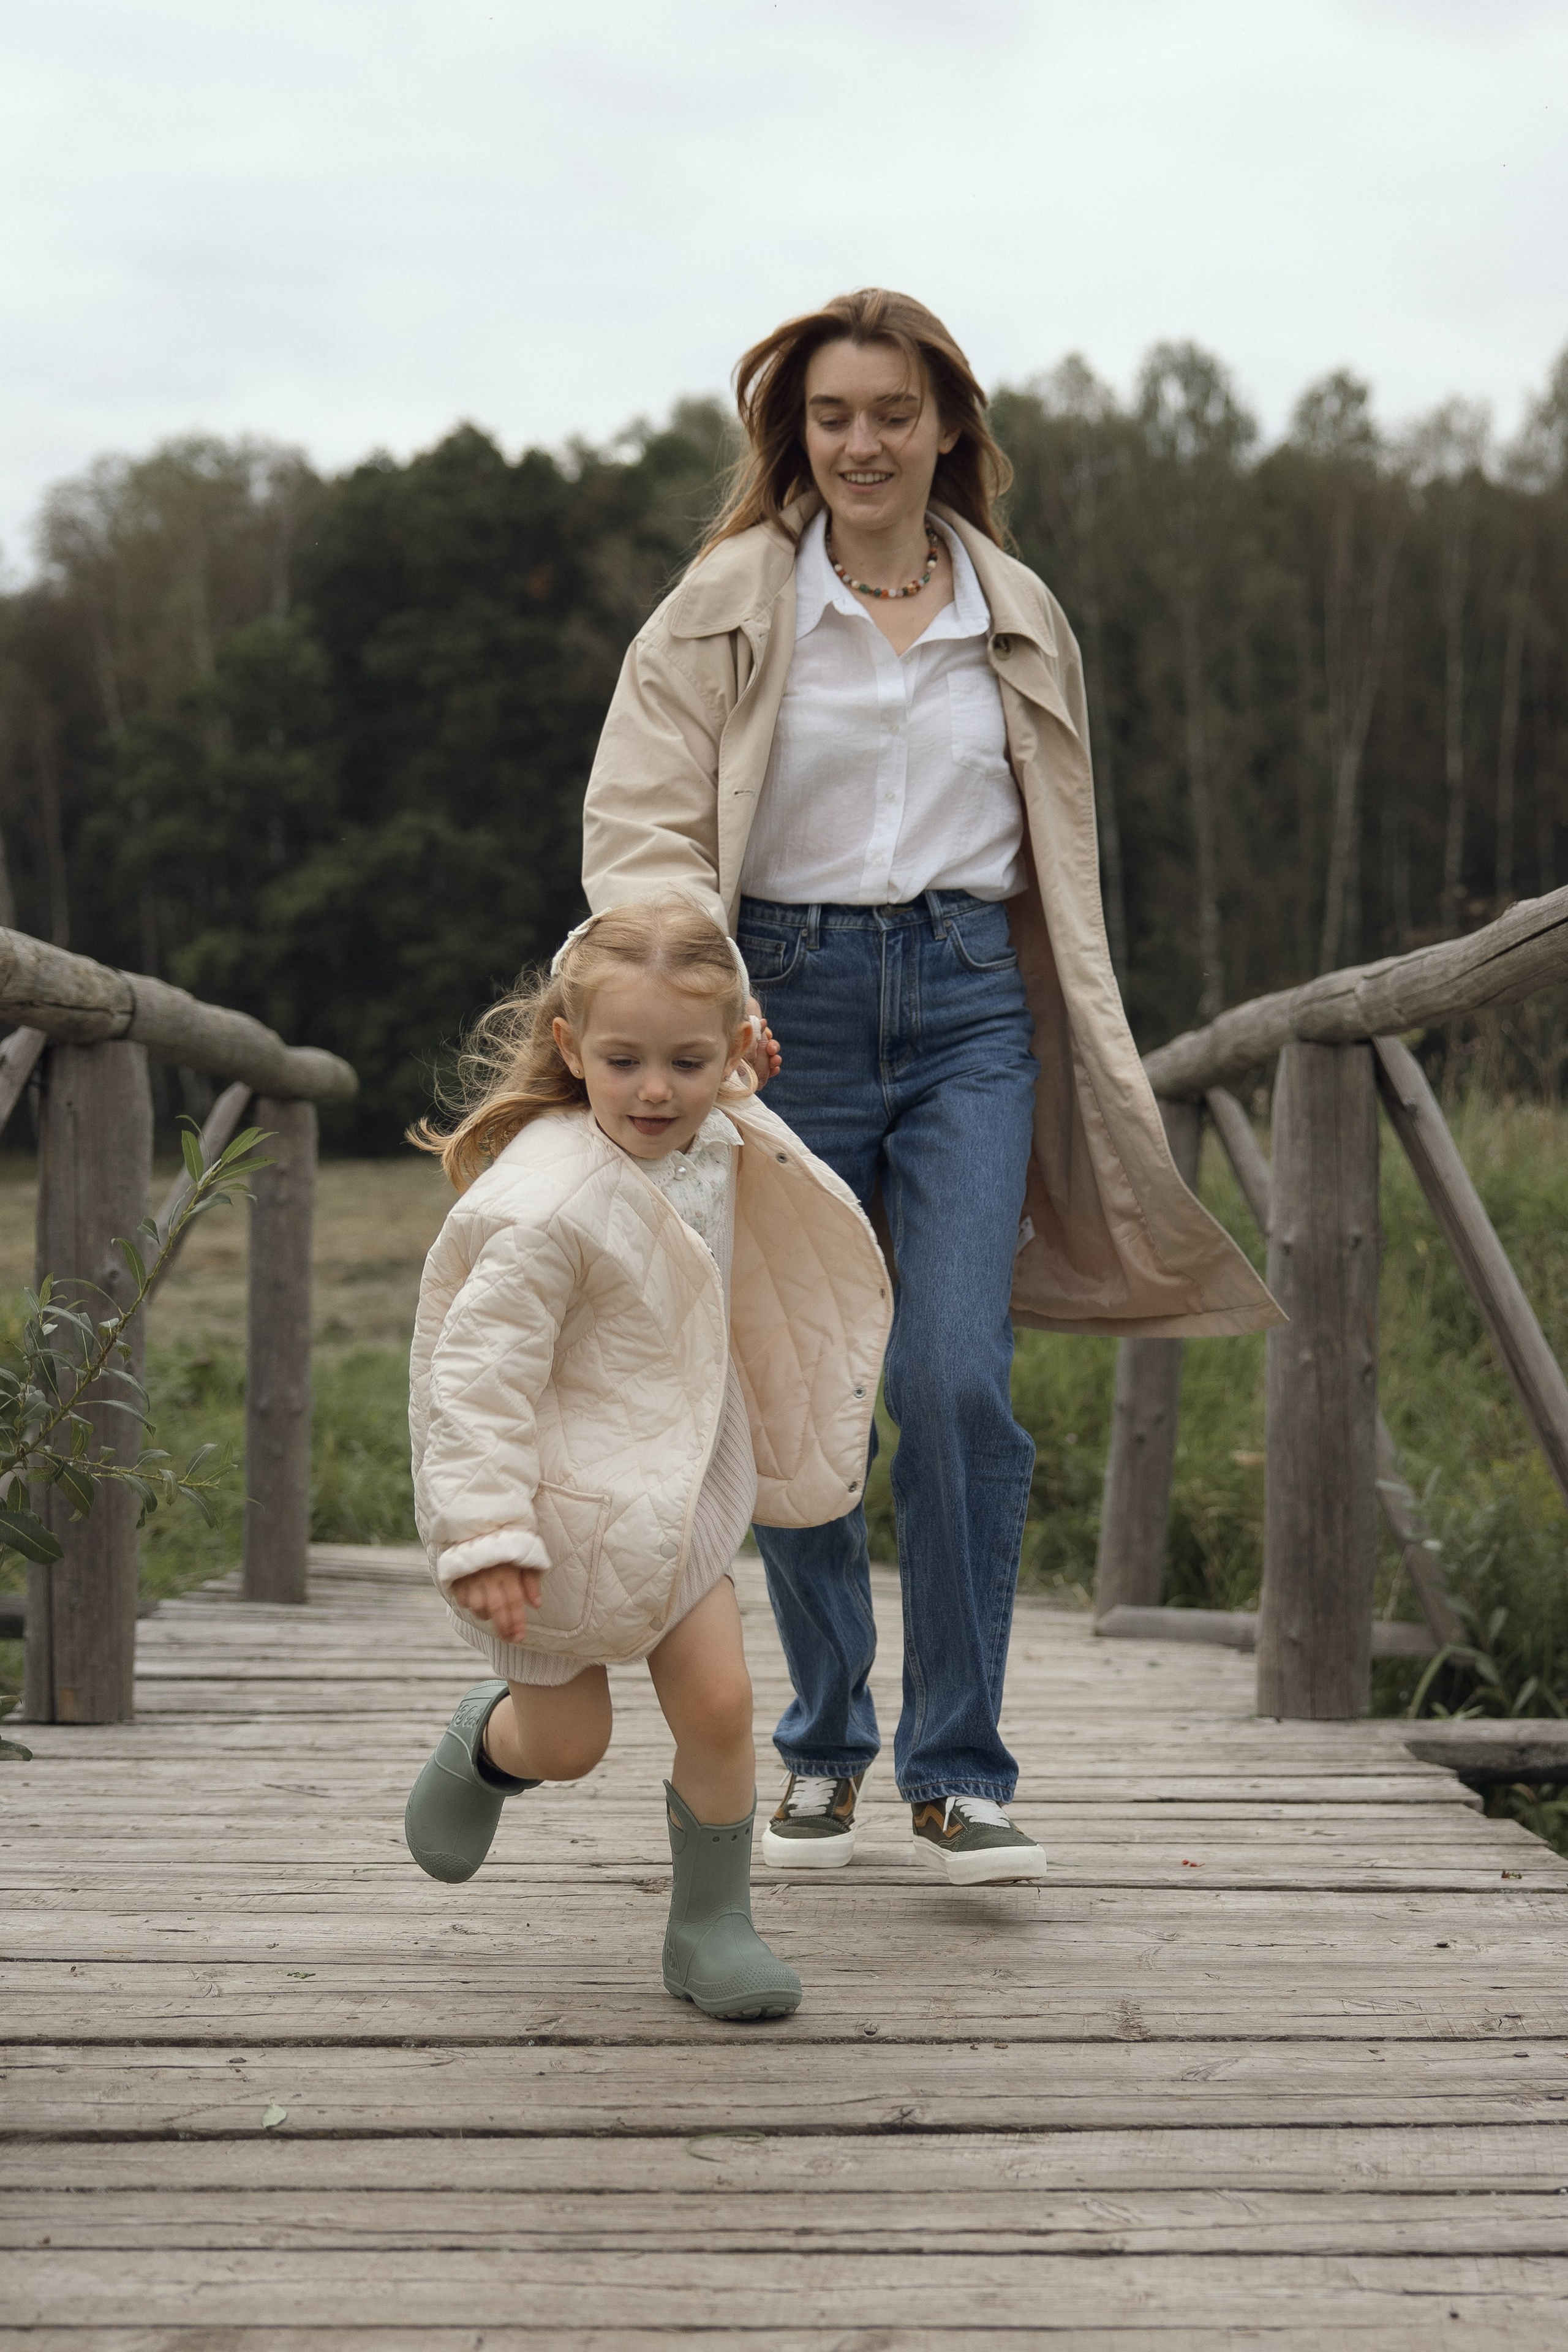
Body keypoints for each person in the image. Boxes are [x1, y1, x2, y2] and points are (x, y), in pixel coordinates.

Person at [581, 289, 1280, 1889]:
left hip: (971, 1013)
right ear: (797, 437)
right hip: (778, 1013)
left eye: (892, 413)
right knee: (798, 1391)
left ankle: (958, 1770)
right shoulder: (722, 605)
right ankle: (826, 1738)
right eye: (832, 418)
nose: (863, 444)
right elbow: (635, 827)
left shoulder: (1017, 612)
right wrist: (700, 993)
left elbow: (1063, 858)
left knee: (958, 1381)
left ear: (947, 424)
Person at [402, 897, 890, 2019]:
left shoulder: (706, 1117)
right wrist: (484, 1536)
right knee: (570, 1744)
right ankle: (487, 1745)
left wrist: (739, 1063)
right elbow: (474, 1383)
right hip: (551, 1511)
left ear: (728, 1055)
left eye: (689, 1061)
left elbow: (719, 1095)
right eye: (624, 1062)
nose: (657, 1091)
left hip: (671, 1494)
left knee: (719, 1706)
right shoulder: (545, 1208)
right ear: (572, 1050)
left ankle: (712, 1926)